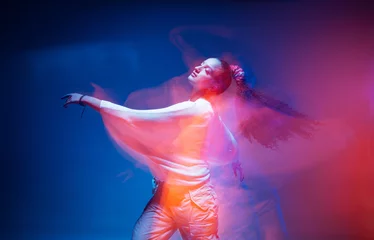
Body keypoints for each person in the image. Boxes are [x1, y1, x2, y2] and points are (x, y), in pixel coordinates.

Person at [62, 58, 317, 239]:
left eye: (206, 69)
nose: (198, 68)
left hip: (195, 202)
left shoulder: (196, 108)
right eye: (202, 64)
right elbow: (227, 140)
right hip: (167, 197)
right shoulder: (203, 110)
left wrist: (87, 100)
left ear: (214, 84)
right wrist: (234, 158)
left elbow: (132, 117)